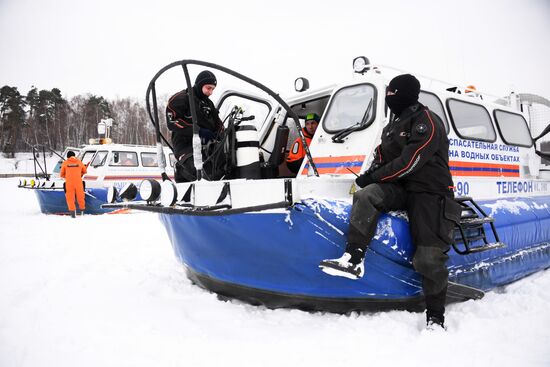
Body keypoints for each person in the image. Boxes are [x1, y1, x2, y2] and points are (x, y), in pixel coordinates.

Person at [319, 74, 461, 330]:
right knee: (367, 194)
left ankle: (436, 317)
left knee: (428, 259)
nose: (389, 98)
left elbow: (410, 161)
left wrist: (373, 175)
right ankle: (354, 257)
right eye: (388, 94)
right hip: (402, 189)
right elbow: (383, 160)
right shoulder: (391, 127)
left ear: (405, 94)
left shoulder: (427, 120)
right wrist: (368, 176)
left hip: (430, 192)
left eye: (392, 94)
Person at [166, 70, 225, 182]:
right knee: (199, 173)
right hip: (185, 145)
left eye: (213, 89)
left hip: (205, 148)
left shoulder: (208, 104)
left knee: (217, 172)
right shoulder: (181, 98)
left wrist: (222, 135)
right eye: (208, 88)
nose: (211, 92)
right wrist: (198, 131)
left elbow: (218, 123)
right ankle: (181, 169)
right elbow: (172, 122)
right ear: (200, 84)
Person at [60, 150, 87, 218]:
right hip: (78, 182)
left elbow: (61, 174)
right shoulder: (79, 162)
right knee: (80, 197)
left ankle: (73, 215)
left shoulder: (65, 163)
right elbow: (85, 171)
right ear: (74, 156)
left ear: (68, 157)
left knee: (70, 198)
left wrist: (68, 176)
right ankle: (82, 212)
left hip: (69, 183)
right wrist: (78, 175)